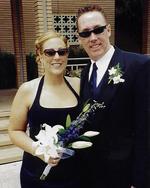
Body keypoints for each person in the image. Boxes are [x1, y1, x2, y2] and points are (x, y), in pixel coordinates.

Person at [76, 4, 150, 188]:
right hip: (91, 174)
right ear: (80, 38)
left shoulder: (139, 65)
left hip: (124, 175)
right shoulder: (85, 73)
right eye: (85, 33)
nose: (93, 38)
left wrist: (140, 180)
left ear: (108, 30)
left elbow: (146, 129)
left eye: (98, 30)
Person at [8, 31, 84, 188]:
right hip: (37, 175)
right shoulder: (28, 90)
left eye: (62, 52)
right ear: (40, 56)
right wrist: (39, 151)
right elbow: (15, 131)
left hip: (75, 174)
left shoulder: (78, 85)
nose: (57, 57)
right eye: (50, 52)